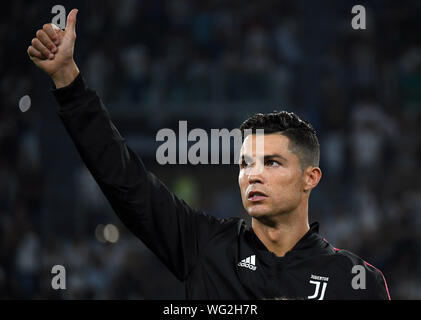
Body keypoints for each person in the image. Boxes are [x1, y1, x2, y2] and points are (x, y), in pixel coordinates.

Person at [27, 9, 390, 300]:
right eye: (246, 163)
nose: (254, 175)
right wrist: (68, 82)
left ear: (311, 177)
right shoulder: (205, 246)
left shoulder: (356, 281)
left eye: (272, 162)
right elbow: (124, 180)